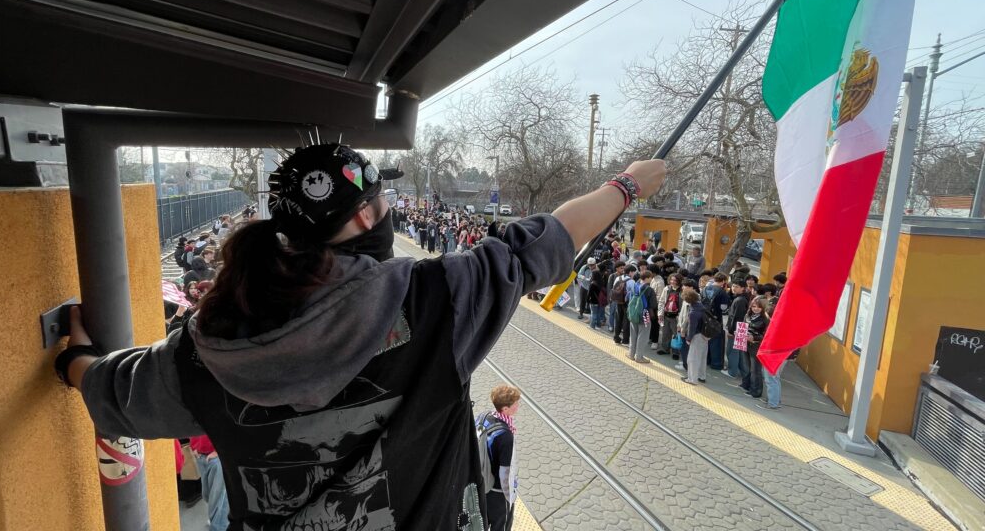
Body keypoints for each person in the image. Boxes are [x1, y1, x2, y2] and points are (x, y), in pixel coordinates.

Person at [53, 144, 666, 529]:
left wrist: (74, 359)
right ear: (370, 216)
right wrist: (628, 185)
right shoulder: (436, 299)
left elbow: (116, 395)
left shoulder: (202, 343)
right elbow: (546, 241)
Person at [482, 385, 521, 531]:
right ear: (505, 409)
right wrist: (510, 498)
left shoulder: (485, 417)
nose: (518, 406)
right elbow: (506, 473)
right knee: (501, 526)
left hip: (482, 483)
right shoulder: (505, 436)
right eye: (516, 403)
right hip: (497, 493)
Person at [190, 434, 230, 531]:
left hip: (217, 457)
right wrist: (194, 446)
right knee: (208, 495)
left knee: (217, 499)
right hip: (201, 454)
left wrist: (219, 451)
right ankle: (222, 522)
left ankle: (218, 525)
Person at [740, 297, 770, 399]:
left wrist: (754, 337)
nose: (755, 308)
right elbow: (743, 326)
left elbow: (766, 336)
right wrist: (739, 332)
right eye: (753, 306)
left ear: (763, 308)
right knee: (746, 366)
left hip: (756, 346)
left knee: (755, 369)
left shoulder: (765, 319)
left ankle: (756, 391)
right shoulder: (748, 315)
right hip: (745, 343)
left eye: (758, 307)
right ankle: (746, 385)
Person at [702, 273, 731, 371]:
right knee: (716, 342)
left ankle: (706, 360)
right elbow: (724, 308)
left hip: (704, 318)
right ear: (723, 281)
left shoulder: (705, 289)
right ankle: (716, 363)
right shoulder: (722, 292)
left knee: (706, 339)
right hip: (716, 319)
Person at [723, 281, 751, 379]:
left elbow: (737, 318)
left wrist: (731, 331)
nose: (734, 288)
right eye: (733, 286)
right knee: (737, 352)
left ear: (743, 288)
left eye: (737, 286)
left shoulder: (740, 300)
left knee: (732, 351)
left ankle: (732, 372)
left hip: (736, 330)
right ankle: (740, 372)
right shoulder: (741, 298)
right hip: (740, 330)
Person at [681, 289, 707, 385]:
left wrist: (688, 339)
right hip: (705, 335)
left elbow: (692, 328)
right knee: (702, 357)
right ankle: (702, 376)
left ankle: (692, 379)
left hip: (697, 336)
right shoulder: (701, 306)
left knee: (692, 359)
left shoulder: (693, 312)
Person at [626, 270, 651, 364]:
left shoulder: (634, 285)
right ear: (647, 278)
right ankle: (639, 357)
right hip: (645, 313)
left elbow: (627, 298)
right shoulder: (648, 289)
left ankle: (631, 354)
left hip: (633, 313)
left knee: (633, 334)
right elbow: (653, 304)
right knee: (643, 334)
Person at [656, 274, 682, 355]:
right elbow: (661, 301)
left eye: (675, 280)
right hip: (666, 314)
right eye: (671, 280)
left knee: (676, 334)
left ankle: (676, 352)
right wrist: (660, 313)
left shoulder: (682, 290)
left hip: (676, 316)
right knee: (665, 333)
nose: (672, 282)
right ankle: (665, 349)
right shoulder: (666, 289)